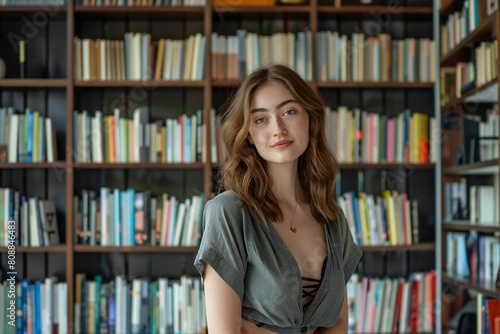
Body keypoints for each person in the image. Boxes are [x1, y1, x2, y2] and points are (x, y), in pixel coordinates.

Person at [194, 64, 362, 334]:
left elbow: (339, 324)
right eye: (261, 119)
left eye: (288, 112)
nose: (278, 129)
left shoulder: (333, 219)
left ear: (309, 117)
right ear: (248, 134)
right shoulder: (229, 212)